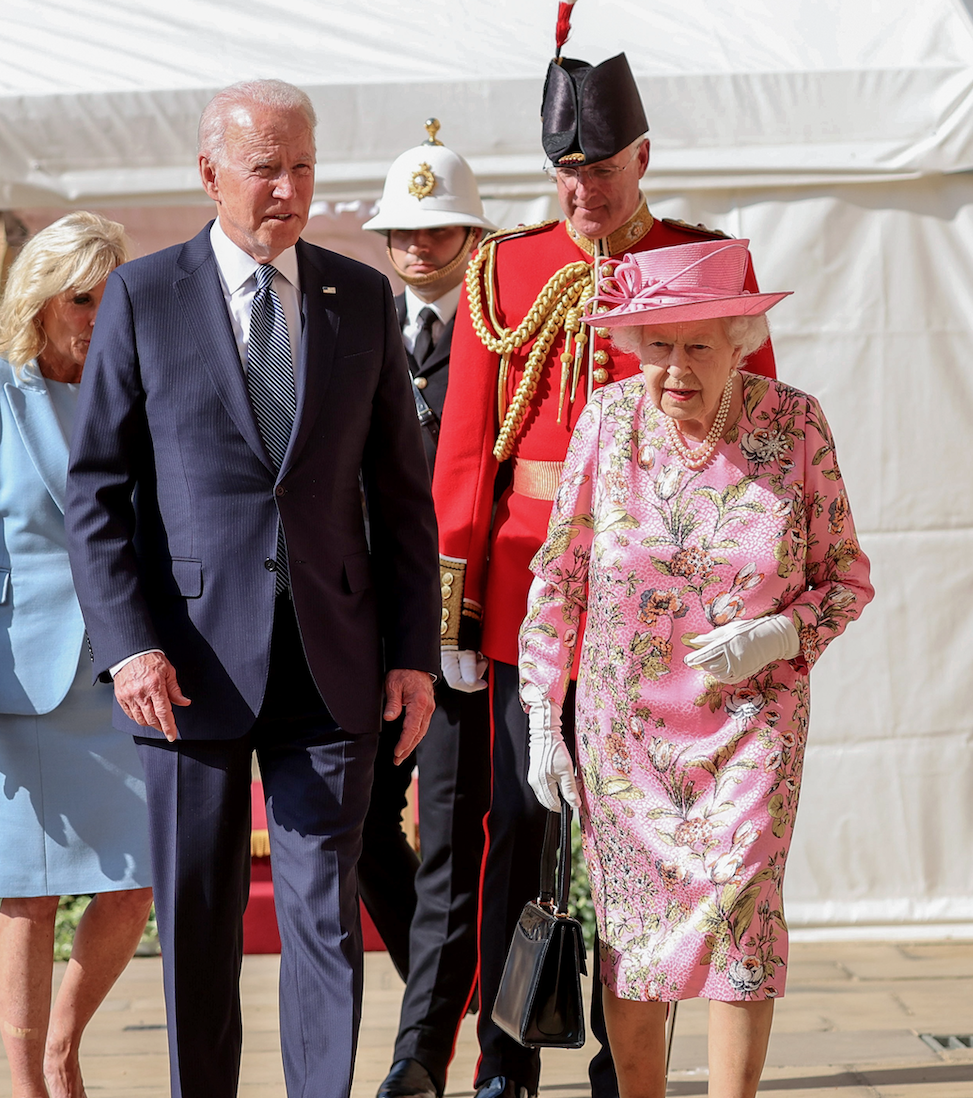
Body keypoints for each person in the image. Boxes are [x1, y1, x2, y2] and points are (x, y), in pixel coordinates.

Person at [63, 80, 441, 1098]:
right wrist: (129, 642)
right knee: (200, 914)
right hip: (184, 668)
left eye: (304, 166)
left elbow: (403, 502)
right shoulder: (143, 296)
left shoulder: (360, 297)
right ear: (210, 173)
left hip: (335, 659)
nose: (288, 187)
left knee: (325, 911)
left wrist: (412, 654)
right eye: (265, 166)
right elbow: (95, 491)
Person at [431, 40, 782, 1098]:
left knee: (662, 858)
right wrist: (455, 607)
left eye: (600, 167)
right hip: (529, 602)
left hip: (666, 618)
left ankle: (627, 1067)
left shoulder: (701, 260)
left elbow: (752, 440)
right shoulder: (504, 268)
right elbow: (462, 449)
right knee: (517, 839)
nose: (582, 190)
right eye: (565, 171)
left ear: (642, 159)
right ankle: (503, 1060)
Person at [520, 238, 872, 1098]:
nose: (674, 368)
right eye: (659, 346)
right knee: (635, 935)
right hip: (626, 730)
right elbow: (560, 574)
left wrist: (780, 636)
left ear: (740, 342)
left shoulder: (794, 423)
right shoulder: (607, 421)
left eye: (698, 346)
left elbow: (847, 579)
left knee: (743, 915)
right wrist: (541, 710)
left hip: (755, 725)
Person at [0, 211, 154, 1098]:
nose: (96, 316)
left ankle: (63, 1049)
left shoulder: (126, 392)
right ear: (41, 299)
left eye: (108, 297)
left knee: (135, 885)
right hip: (11, 687)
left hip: (116, 677)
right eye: (80, 298)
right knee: (29, 894)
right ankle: (28, 1088)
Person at [355, 120, 496, 1098]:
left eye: (439, 229)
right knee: (361, 831)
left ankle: (422, 1053)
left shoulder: (501, 336)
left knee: (450, 837)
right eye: (403, 232)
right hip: (358, 628)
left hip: (459, 632)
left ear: (471, 237)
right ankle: (444, 995)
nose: (418, 247)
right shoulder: (356, 327)